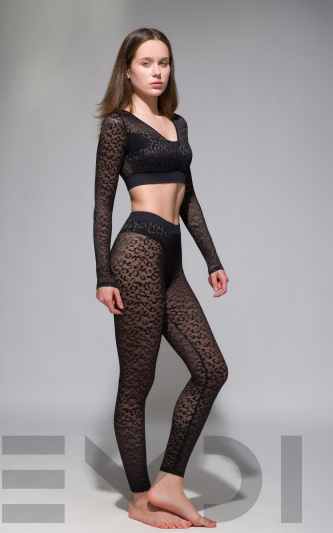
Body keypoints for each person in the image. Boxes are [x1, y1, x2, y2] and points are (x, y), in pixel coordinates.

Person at [93, 27, 229, 529]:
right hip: (135, 255)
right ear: (127, 69)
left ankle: (169, 482)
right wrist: (104, 274)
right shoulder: (118, 125)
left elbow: (188, 199)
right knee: (138, 383)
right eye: (146, 62)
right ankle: (138, 499)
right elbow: (102, 204)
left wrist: (212, 259)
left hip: (172, 259)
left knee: (211, 370)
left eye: (164, 62)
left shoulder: (177, 124)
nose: (157, 71)